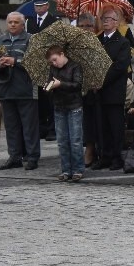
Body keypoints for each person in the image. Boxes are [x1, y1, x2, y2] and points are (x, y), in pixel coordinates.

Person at [0, 12, 40, 170]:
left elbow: (36, 61)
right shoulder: (0, 41)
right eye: (10, 22)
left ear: (22, 24)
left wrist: (15, 61)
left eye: (15, 22)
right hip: (6, 89)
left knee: (29, 126)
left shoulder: (31, 39)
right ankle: (14, 156)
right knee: (11, 126)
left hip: (26, 89)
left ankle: (32, 157)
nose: (12, 25)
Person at [92, 7, 131, 171]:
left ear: (116, 22)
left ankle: (117, 157)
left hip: (114, 89)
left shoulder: (122, 42)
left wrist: (102, 80)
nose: (105, 21)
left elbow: (120, 66)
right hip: (98, 91)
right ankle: (104, 156)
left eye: (108, 18)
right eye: (103, 18)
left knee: (115, 126)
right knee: (101, 126)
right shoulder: (97, 40)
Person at [46, 45, 84, 181]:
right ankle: (66, 170)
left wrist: (60, 84)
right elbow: (50, 81)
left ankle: (78, 169)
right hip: (59, 106)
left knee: (75, 140)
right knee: (62, 141)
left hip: (74, 106)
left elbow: (77, 85)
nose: (54, 63)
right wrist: (49, 86)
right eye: (51, 62)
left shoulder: (75, 66)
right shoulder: (53, 68)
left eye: (55, 60)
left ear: (62, 54)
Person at [26, 0, 59, 141]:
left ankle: (52, 128)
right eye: (36, 6)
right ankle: (41, 127)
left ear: (47, 6)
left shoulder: (54, 21)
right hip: (36, 64)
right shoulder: (29, 21)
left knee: (50, 95)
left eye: (41, 6)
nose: (38, 8)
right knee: (37, 96)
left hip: (49, 64)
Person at [76, 13, 100, 166]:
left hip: (93, 89)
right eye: (81, 26)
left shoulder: (98, 43)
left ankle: (91, 150)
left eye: (89, 26)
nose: (85, 29)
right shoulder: (72, 44)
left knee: (91, 121)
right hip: (75, 89)